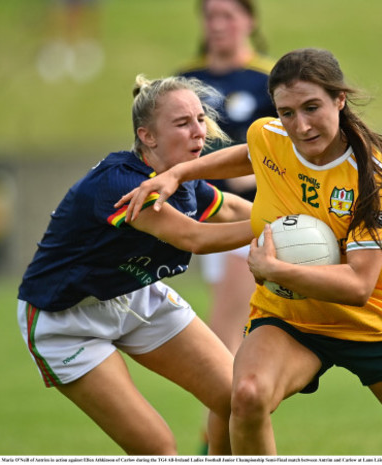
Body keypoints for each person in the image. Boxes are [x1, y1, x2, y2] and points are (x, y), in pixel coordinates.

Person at [116, 48, 382, 456]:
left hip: (366, 323)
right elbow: (251, 154)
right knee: (247, 395)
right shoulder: (270, 135)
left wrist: (275, 269)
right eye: (287, 112)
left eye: (312, 108)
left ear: (339, 99)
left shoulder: (369, 174)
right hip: (287, 317)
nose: (301, 126)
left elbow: (360, 284)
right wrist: (176, 173)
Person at [17, 75, 254, 455]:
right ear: (148, 137)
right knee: (158, 449)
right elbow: (195, 237)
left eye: (199, 119)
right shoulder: (118, 185)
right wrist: (280, 226)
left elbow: (229, 208)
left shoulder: (182, 176)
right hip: (67, 322)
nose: (199, 132)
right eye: (183, 123)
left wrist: (291, 214)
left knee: (234, 398)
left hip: (136, 295)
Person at [176, 0, 275, 358]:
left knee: (224, 330)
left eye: (228, 15)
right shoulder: (185, 81)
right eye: (210, 15)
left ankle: (229, 408)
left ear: (250, 20)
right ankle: (245, 409)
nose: (218, 24)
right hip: (202, 215)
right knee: (233, 330)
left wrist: (254, 174)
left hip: (249, 214)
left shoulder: (268, 79)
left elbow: (294, 144)